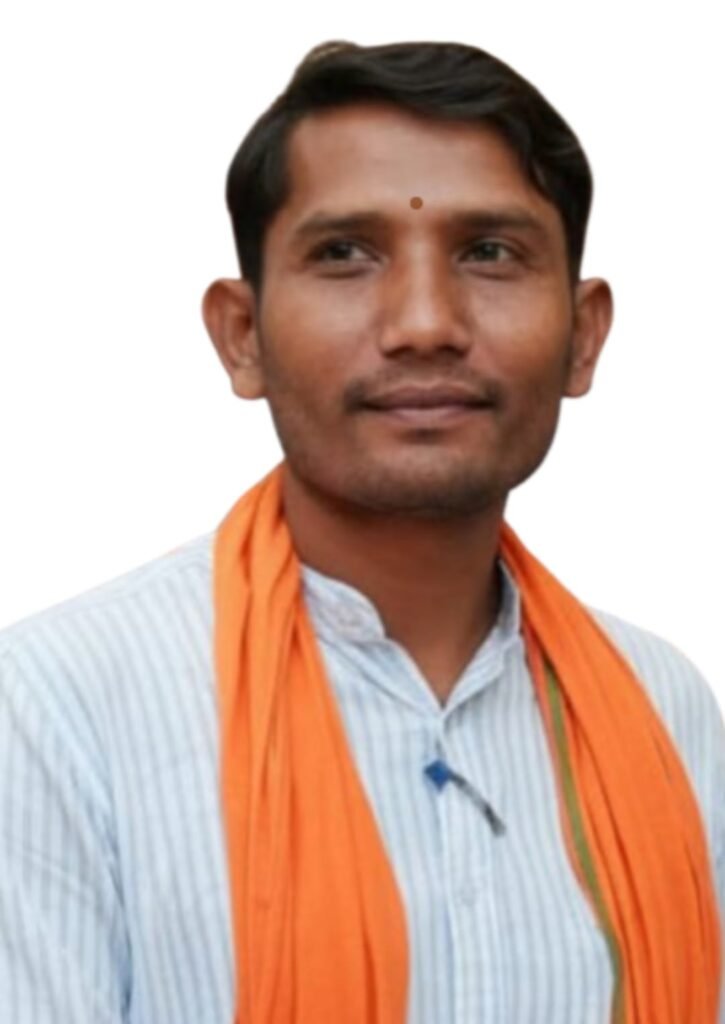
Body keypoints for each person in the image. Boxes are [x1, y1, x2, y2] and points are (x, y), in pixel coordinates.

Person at [0, 37, 722, 1024]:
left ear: (582, 336)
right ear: (242, 337)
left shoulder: (662, 709)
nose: (424, 322)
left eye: (488, 252)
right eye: (344, 253)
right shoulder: (55, 709)